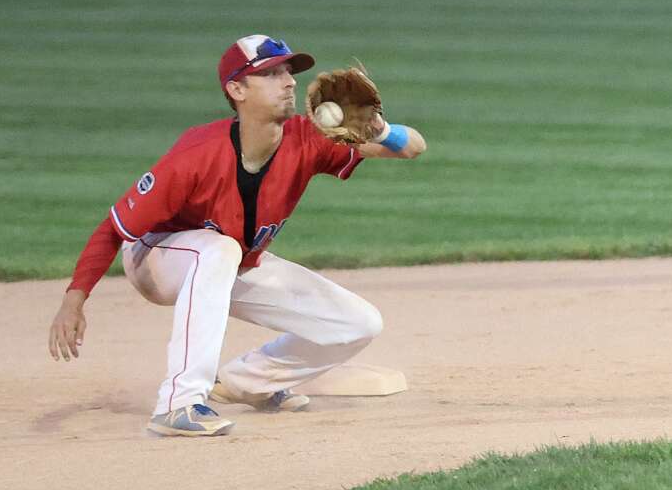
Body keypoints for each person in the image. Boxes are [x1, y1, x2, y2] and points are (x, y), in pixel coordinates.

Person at [46, 34, 429, 437]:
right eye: (271, 74)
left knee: (358, 322)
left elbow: (413, 147)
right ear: (237, 90)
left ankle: (248, 383)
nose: (289, 82)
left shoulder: (307, 139)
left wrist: (380, 129)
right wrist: (74, 301)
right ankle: (178, 403)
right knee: (220, 248)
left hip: (229, 260)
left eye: (288, 72)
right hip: (155, 257)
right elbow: (113, 228)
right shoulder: (197, 153)